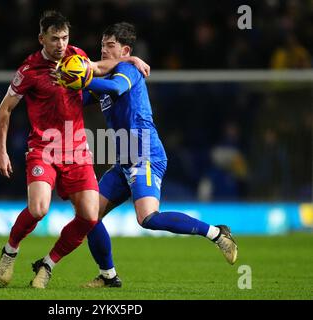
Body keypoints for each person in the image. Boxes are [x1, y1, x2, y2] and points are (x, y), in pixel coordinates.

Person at [0, 11, 149, 289]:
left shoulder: (76, 57)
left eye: (65, 38)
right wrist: (1, 151)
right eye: (54, 39)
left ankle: (48, 264)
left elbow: (101, 68)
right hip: (44, 147)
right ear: (41, 38)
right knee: (39, 209)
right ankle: (10, 249)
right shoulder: (28, 70)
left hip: (77, 150)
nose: (61, 44)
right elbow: (5, 109)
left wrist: (131, 60)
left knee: (89, 216)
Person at [82, 22, 238, 288]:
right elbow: (76, 100)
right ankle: (108, 276)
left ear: (125, 50)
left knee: (148, 219)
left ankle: (217, 233)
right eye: (102, 46)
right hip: (124, 161)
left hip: (145, 155)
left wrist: (82, 78)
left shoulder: (127, 69)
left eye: (110, 46)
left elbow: (118, 88)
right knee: (87, 215)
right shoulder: (107, 78)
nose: (104, 51)